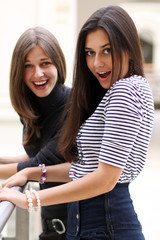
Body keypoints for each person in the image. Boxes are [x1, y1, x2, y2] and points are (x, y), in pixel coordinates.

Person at [0, 5, 154, 240]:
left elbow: (105, 179)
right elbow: (85, 169)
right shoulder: (121, 91)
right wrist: (34, 172)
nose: (97, 63)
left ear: (128, 46)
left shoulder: (125, 91)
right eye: (90, 53)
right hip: (89, 226)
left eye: (107, 50)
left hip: (107, 227)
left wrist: (29, 199)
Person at [0, 27, 70, 240]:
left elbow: (40, 164)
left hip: (79, 228)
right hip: (52, 226)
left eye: (45, 63)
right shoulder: (32, 108)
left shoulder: (73, 106)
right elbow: (39, 153)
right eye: (28, 66)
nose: (37, 73)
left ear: (58, 63)